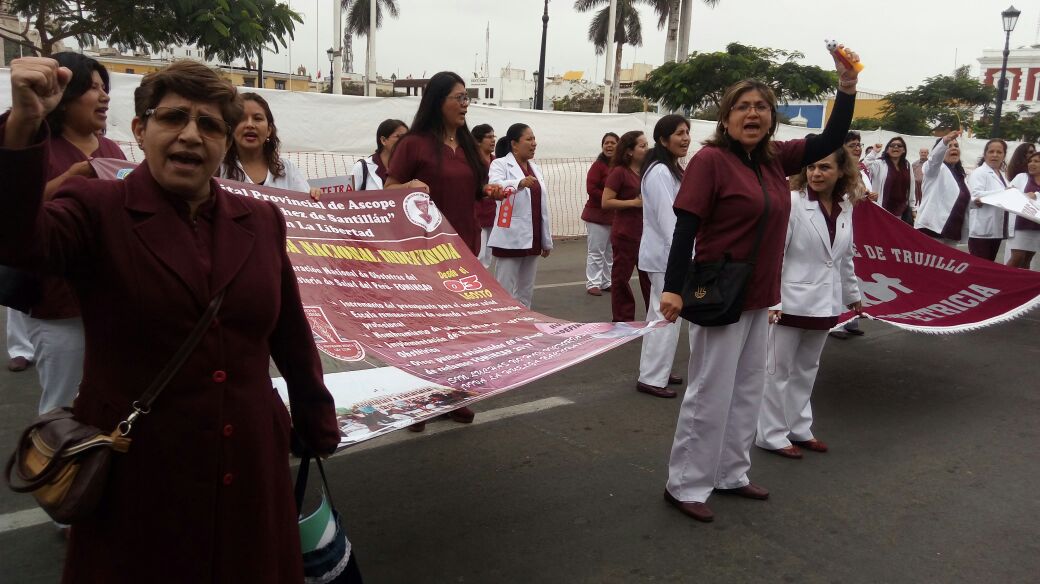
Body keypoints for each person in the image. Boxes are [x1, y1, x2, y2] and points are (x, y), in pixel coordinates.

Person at [0, 57, 340, 582]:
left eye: (209, 125)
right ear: (140, 129)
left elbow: (289, 332)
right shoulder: (96, 208)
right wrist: (24, 125)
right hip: (141, 470)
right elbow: (16, 240)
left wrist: (315, 417)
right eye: (172, 118)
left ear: (226, 143)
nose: (190, 135)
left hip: (250, 459)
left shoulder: (261, 219)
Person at [658, 46, 859, 523]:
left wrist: (846, 89)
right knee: (710, 390)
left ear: (772, 118)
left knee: (749, 387)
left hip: (761, 293)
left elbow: (831, 135)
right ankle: (685, 482)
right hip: (720, 291)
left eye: (761, 107)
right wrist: (671, 288)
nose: (752, 114)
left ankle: (730, 472)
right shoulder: (710, 161)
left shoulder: (774, 159)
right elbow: (685, 225)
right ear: (726, 117)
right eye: (742, 107)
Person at [385, 71, 505, 430]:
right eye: (459, 97)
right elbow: (389, 187)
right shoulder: (414, 143)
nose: (465, 103)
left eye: (467, 97)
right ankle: (418, 399)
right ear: (439, 101)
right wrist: (408, 184)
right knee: (426, 327)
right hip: (424, 250)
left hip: (464, 247)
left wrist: (490, 191)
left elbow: (474, 188)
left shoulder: (467, 145)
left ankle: (453, 395)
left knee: (458, 327)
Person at [17, 52, 127, 417]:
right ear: (65, 97)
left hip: (108, 300)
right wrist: (73, 179)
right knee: (61, 409)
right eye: (93, 88)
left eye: (104, 88)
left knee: (108, 399)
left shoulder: (112, 151)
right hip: (58, 307)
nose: (104, 97)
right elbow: (17, 214)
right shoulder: (36, 146)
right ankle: (54, 472)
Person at [756, 147, 863, 459]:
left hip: (825, 302)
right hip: (788, 302)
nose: (817, 174)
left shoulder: (845, 206)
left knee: (807, 369)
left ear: (841, 172)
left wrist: (852, 294)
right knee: (777, 371)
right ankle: (771, 434)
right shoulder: (792, 203)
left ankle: (799, 427)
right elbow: (774, 253)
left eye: (825, 168)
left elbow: (844, 255)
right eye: (812, 167)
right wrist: (772, 298)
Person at [635, 115, 690, 399]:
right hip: (664, 256)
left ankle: (658, 369)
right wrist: (684, 256)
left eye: (687, 132)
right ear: (663, 139)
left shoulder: (671, 170)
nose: (686, 138)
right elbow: (670, 221)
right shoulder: (658, 173)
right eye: (679, 133)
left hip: (666, 254)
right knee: (665, 315)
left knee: (662, 314)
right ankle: (652, 377)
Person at [487, 123, 553, 307]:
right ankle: (503, 326)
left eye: (534, 139)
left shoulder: (535, 168)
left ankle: (524, 325)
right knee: (504, 289)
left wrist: (546, 240)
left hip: (533, 237)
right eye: (529, 139)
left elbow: (542, 207)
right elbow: (495, 186)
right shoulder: (499, 164)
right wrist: (519, 183)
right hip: (510, 236)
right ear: (514, 144)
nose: (534, 143)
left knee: (525, 290)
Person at [220, 92, 320, 199]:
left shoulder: (287, 169)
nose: (249, 124)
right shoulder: (218, 171)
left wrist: (313, 197)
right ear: (231, 128)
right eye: (241, 118)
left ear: (269, 130)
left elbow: (306, 209)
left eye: (257, 118)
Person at [602, 130, 651, 322]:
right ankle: (623, 318)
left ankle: (654, 316)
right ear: (630, 151)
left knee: (650, 277)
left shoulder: (648, 171)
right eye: (642, 145)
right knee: (621, 278)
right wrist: (633, 203)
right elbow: (606, 202)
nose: (647, 149)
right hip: (626, 233)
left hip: (646, 233)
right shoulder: (619, 172)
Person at [914, 130, 969, 245]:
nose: (954, 148)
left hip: (952, 232)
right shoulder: (935, 170)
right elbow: (934, 160)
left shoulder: (961, 175)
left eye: (956, 146)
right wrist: (945, 140)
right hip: (932, 230)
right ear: (942, 150)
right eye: (949, 146)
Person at [582, 132, 618, 295]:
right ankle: (593, 283)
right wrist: (608, 198)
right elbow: (591, 189)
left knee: (610, 252)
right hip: (596, 216)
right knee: (596, 251)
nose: (609, 146)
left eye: (612, 143)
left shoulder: (620, 167)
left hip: (614, 216)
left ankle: (606, 281)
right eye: (606, 143)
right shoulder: (598, 166)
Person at [966, 139, 1011, 261]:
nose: (995, 155)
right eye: (991, 151)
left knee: (989, 266)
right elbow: (975, 194)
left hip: (996, 229)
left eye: (999, 152)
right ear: (985, 154)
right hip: (982, 230)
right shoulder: (979, 173)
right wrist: (1005, 192)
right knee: (980, 267)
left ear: (1004, 155)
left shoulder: (1001, 174)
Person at [865, 136, 916, 224]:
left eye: (899, 146)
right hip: (882, 208)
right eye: (892, 145)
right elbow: (865, 166)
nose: (895, 147)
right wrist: (874, 152)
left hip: (901, 210)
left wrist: (913, 208)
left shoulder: (907, 165)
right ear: (887, 150)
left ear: (904, 150)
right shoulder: (879, 163)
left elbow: (911, 187)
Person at [351, 118, 407, 191]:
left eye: (407, 137)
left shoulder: (409, 168)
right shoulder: (362, 167)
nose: (405, 141)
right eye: (399, 137)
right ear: (383, 140)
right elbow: (346, 198)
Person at [1006, 151, 1040, 269]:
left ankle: (1020, 285)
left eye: (1036, 161)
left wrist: (1036, 195)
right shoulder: (1021, 177)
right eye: (1030, 161)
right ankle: (1003, 283)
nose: (1031, 164)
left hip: (1036, 227)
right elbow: (1008, 194)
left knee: (1027, 259)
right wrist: (1025, 195)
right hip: (1019, 225)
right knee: (1017, 257)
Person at [472, 123, 497, 270]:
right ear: (477, 141)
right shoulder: (471, 162)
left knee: (488, 256)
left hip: (493, 215)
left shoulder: (497, 162)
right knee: (478, 256)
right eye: (489, 137)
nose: (493, 140)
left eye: (493, 136)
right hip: (476, 216)